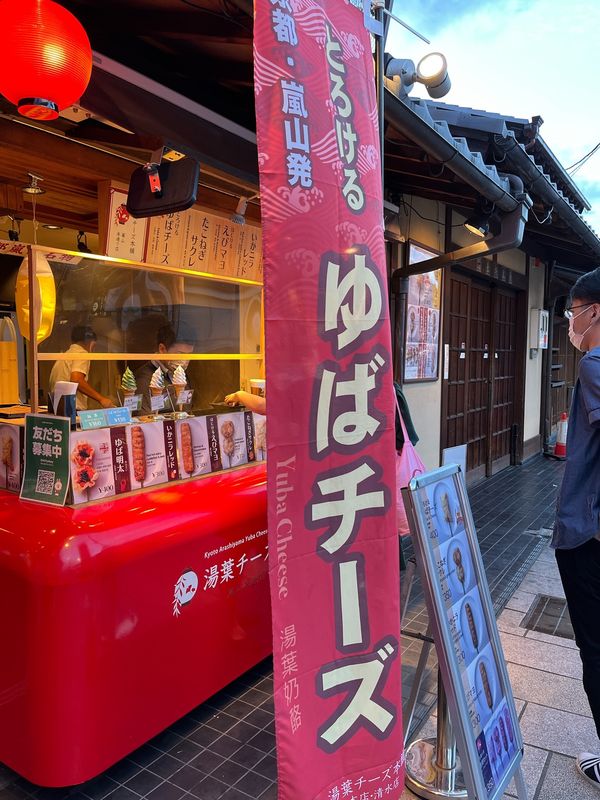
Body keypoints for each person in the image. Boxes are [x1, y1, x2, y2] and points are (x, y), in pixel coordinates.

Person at [552, 267, 600, 789]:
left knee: (596, 648)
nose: (571, 322)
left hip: (588, 536)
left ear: (595, 311)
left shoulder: (595, 364)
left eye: (573, 312)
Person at [135, 321, 196, 412]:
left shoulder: (182, 375)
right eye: (180, 354)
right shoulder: (144, 380)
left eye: (189, 355)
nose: (185, 360)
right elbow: (145, 421)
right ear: (162, 349)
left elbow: (188, 408)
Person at [49, 325, 112, 410]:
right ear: (90, 341)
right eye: (94, 345)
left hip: (58, 407)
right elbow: (76, 379)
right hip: (72, 408)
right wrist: (101, 399)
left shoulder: (65, 355)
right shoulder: (82, 353)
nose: (93, 349)